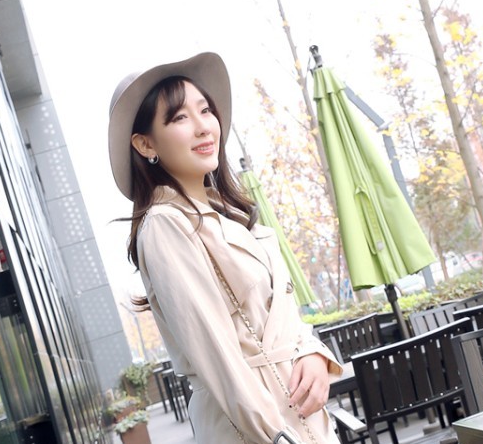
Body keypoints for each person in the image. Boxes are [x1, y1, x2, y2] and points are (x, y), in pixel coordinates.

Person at [108, 52, 342, 444]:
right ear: (145, 143)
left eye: (205, 110)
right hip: (255, 430)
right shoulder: (166, 223)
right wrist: (276, 435)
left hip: (301, 416)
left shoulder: (230, 214)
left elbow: (283, 317)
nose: (203, 127)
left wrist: (314, 353)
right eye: (180, 118)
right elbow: (216, 354)